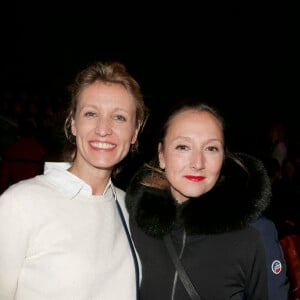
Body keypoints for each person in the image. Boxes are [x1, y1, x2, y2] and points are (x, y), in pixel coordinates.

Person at [0, 61, 148, 300]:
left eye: (119, 117)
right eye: (91, 113)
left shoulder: (131, 209)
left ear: (134, 131)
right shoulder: (20, 204)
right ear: (73, 123)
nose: (103, 128)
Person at [125, 100, 289, 299]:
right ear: (161, 155)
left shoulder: (253, 234)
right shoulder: (133, 222)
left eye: (211, 148)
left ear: (223, 156)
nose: (197, 163)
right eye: (183, 147)